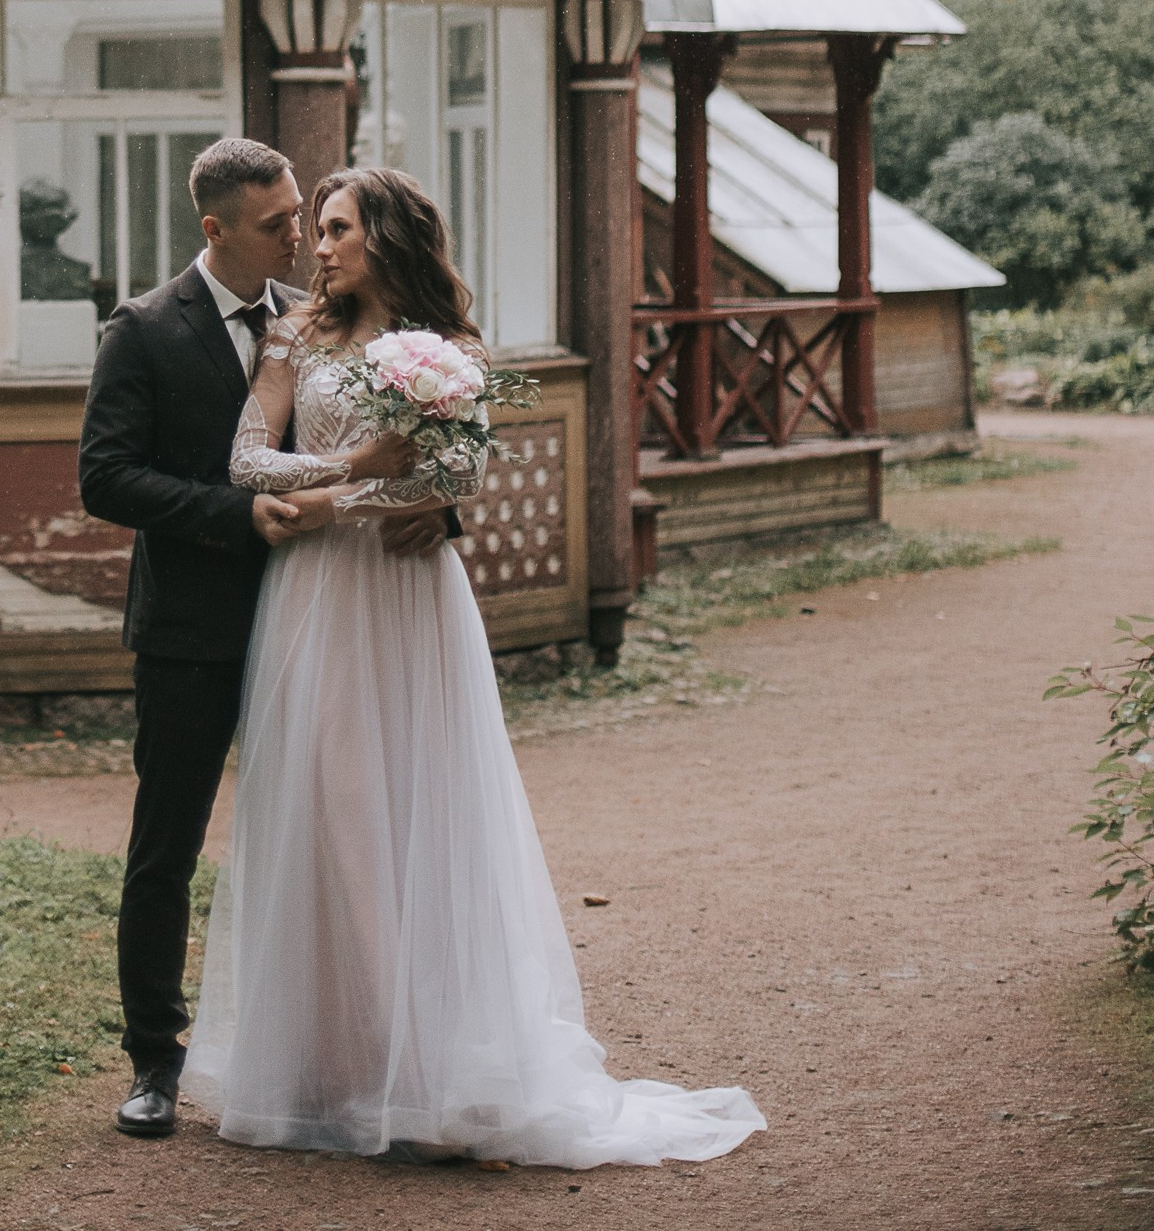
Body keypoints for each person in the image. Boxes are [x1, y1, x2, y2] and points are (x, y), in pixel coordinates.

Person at [180, 163, 765, 1170]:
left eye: (335, 230)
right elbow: (243, 461)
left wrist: (348, 502)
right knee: (327, 813)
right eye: (312, 231)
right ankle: (337, 1066)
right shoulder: (295, 335)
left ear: (390, 236)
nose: (316, 250)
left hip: (409, 603)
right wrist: (351, 477)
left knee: (419, 812)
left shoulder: (449, 351)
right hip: (314, 603)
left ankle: (430, 1068)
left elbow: (459, 475)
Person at [77, 136, 454, 1140]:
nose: (298, 233)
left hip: (325, 611)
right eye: (278, 221)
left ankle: (345, 1055)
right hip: (196, 624)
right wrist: (230, 515)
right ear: (217, 230)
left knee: (334, 832)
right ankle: (156, 1060)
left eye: (305, 215)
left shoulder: (318, 320)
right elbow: (103, 479)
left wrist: (442, 509)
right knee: (168, 844)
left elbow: (401, 449)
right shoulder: (146, 329)